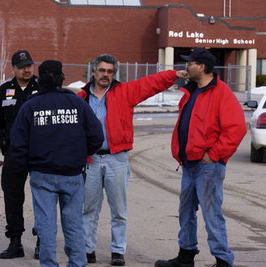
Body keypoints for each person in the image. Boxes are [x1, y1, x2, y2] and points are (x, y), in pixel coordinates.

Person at [77, 54, 188, 266]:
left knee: (119, 209)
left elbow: (151, 83)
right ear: (93, 72)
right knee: (88, 208)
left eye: (110, 71)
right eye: (102, 71)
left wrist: (174, 75)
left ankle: (117, 251)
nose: (106, 75)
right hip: (90, 160)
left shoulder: (124, 93)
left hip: (116, 159)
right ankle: (87, 249)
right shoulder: (81, 98)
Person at [154, 48, 247, 267]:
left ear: (202, 66)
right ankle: (186, 256)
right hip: (189, 163)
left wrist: (214, 154)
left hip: (208, 166)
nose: (186, 67)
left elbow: (236, 128)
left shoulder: (221, 92)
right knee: (185, 211)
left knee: (211, 213)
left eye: (190, 63)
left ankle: (223, 260)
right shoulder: (192, 90)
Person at [9, 60, 104, 267]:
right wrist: (80, 154)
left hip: (42, 174)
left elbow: (17, 145)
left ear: (39, 80)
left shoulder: (30, 106)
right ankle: (77, 263)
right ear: (61, 78)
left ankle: (49, 264)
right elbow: (97, 136)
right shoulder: (77, 103)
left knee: (46, 225)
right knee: (74, 224)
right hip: (72, 173)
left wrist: (26, 166)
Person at [0, 49, 40, 259]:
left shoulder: (42, 88)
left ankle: (41, 241)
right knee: (12, 197)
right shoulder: (5, 90)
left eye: (29, 65)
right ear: (14, 69)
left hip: (39, 153)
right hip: (13, 152)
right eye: (22, 67)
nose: (27, 69)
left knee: (42, 198)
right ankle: (15, 242)